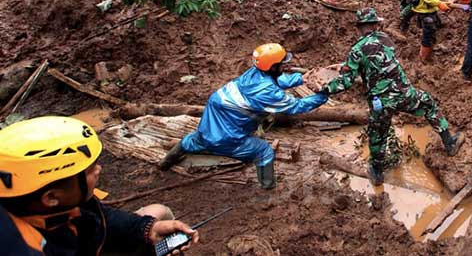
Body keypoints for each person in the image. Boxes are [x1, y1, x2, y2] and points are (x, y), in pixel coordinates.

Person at [1, 116, 198, 255]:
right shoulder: (21, 247)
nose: (98, 170)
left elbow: (95, 217)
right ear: (51, 197)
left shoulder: (54, 204)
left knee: (159, 213)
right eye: (88, 171)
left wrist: (147, 229)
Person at [321, 8, 463, 185]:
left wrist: (326, 89)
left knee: (377, 133)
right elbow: (380, 57)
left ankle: (377, 173)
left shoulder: (356, 51)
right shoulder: (385, 39)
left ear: (359, 27)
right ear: (375, 24)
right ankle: (449, 144)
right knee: (429, 105)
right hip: (403, 94)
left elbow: (346, 81)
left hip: (380, 102)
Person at [159, 44, 328, 189]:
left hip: (213, 119)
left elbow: (276, 81)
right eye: (282, 64)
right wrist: (323, 95)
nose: (285, 66)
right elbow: (295, 106)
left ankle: (165, 163)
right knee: (264, 151)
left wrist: (301, 79)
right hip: (226, 136)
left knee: (193, 140)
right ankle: (268, 186)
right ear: (273, 67)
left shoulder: (254, 73)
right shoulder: (267, 92)